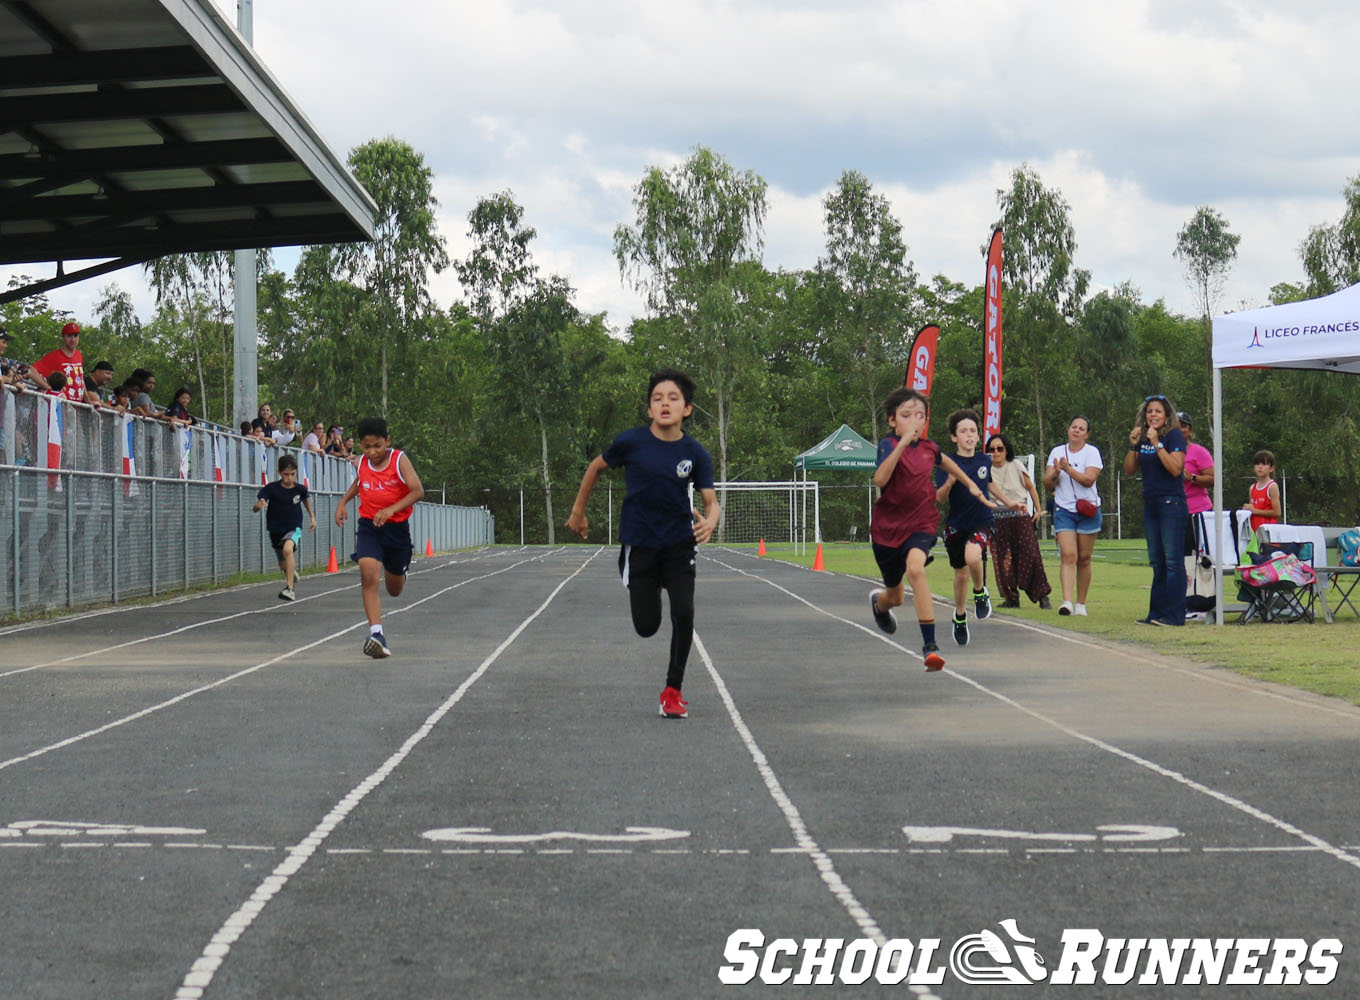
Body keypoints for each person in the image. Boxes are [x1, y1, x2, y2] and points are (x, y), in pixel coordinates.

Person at [566, 368, 721, 719]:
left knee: (684, 612)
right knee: (647, 626)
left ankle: (673, 689)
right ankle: (639, 583)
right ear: (649, 409)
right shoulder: (631, 443)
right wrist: (578, 512)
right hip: (641, 546)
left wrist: (711, 520)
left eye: (673, 398)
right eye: (657, 399)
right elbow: (595, 467)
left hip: (680, 546)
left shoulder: (695, 452)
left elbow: (711, 500)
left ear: (687, 409)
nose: (664, 403)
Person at [867, 388, 998, 672]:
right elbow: (880, 479)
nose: (915, 422)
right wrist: (902, 444)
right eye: (906, 416)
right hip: (888, 528)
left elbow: (947, 462)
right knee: (896, 596)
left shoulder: (929, 448)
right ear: (893, 420)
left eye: (920, 416)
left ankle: (930, 648)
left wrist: (970, 483)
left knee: (916, 569)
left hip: (921, 522)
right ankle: (881, 604)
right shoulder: (888, 445)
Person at [335, 416, 424, 658]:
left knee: (394, 590)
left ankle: (400, 571)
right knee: (368, 572)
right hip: (369, 526)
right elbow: (360, 482)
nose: (372, 452)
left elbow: (418, 490)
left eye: (377, 446)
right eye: (366, 447)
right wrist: (343, 502)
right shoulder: (362, 462)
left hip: (396, 530)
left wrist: (391, 510)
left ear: (387, 441)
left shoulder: (398, 460)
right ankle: (377, 633)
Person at [933, 409, 1011, 646]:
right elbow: (939, 498)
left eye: (973, 431)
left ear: (978, 436)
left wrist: (1010, 502)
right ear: (954, 437)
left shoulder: (984, 460)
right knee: (960, 573)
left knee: (973, 555)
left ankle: (980, 592)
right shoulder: (947, 463)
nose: (969, 435)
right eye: (963, 431)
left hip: (982, 520)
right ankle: (959, 616)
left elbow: (989, 485)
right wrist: (949, 482)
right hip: (957, 525)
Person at [1122, 394, 1188, 626]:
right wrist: (1133, 445)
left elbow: (1175, 468)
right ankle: (1156, 614)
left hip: (1171, 503)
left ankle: (1175, 616)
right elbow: (1129, 469)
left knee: (1172, 562)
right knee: (1157, 562)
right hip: (1151, 504)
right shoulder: (1145, 437)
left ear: (1167, 415)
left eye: (1158, 411)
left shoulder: (1174, 436)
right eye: (1150, 411)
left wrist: (1157, 444)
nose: (1153, 415)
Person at [984, 433, 1053, 610]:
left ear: (1006, 450)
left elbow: (1031, 487)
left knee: (1030, 555)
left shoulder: (1016, 465)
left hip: (1020, 517)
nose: (996, 453)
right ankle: (1011, 597)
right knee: (1002, 560)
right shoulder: (985, 469)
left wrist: (1038, 510)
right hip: (997, 518)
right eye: (992, 449)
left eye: (1000, 449)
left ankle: (1042, 595)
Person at [1043, 416, 1104, 616]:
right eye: (1073, 427)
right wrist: (1056, 473)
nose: (1076, 430)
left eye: (1081, 428)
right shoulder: (1057, 452)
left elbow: (1088, 480)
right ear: (1068, 430)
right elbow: (1048, 483)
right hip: (1064, 509)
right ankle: (1067, 601)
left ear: (1087, 434)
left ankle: (1081, 604)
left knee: (1084, 558)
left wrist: (1068, 469)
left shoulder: (1092, 452)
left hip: (1087, 509)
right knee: (1069, 555)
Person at [253, 454, 316, 601]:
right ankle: (290, 572)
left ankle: (289, 589)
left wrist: (312, 517)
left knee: (288, 550)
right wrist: (258, 506)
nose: (289, 478)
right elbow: (259, 503)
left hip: (294, 528)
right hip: (276, 529)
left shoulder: (300, 489)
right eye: (286, 474)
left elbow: (306, 501)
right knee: (282, 562)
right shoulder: (271, 488)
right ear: (279, 473)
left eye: (293, 474)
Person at [1178, 411, 1215, 552]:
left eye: (1183, 426)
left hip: (1198, 512)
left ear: (1190, 430)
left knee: (1201, 555)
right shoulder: (1165, 452)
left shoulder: (1198, 452)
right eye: (1175, 427)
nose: (1179, 430)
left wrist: (1192, 477)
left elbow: (1212, 479)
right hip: (1174, 511)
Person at [32, 321, 85, 402]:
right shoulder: (54, 356)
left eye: (75, 336)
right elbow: (32, 371)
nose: (73, 339)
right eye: (69, 336)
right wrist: (51, 390)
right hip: (61, 404)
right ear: (63, 337)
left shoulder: (79, 355)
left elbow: (81, 380)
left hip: (77, 406)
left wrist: (90, 401)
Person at [1242, 449, 1281, 538]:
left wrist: (1256, 511)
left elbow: (1277, 512)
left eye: (1264, 464)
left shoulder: (1272, 486)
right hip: (1254, 532)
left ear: (1271, 468)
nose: (1260, 467)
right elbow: (1253, 509)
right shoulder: (1252, 488)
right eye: (1257, 464)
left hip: (1268, 533)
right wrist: (1247, 509)